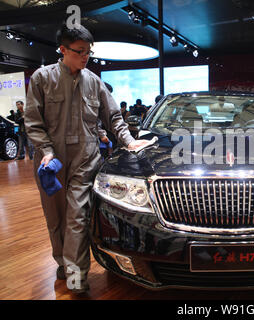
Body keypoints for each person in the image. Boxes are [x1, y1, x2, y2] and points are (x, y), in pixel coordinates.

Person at [24, 24, 150, 294]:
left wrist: (129, 140)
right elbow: (33, 122)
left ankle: (76, 275)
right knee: (55, 218)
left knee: (78, 216)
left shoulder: (94, 82)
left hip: (85, 158)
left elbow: (113, 117)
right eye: (80, 52)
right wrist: (46, 152)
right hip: (51, 161)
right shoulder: (41, 78)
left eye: (88, 53)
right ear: (63, 50)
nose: (85, 58)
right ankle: (63, 262)